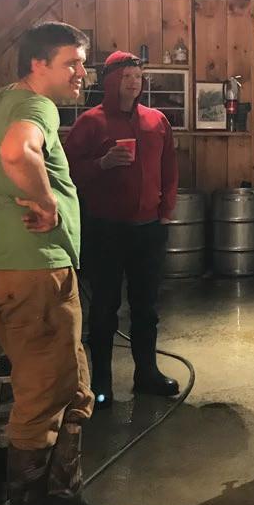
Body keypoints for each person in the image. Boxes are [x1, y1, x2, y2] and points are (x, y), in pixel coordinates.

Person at [0, 22, 127, 505]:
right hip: (36, 274)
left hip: (3, 272)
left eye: (83, 63)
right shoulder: (36, 107)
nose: (82, 72)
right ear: (38, 64)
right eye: (72, 63)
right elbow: (15, 151)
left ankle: (62, 502)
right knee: (42, 401)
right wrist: (46, 202)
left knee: (71, 388)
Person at [64, 51, 178, 410]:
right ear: (112, 81)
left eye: (138, 76)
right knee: (104, 308)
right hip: (106, 229)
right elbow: (65, 171)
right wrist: (102, 162)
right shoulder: (90, 122)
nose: (134, 82)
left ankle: (147, 374)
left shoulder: (157, 120)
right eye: (127, 76)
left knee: (147, 307)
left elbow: (170, 169)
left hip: (149, 229)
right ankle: (101, 383)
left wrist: (166, 211)